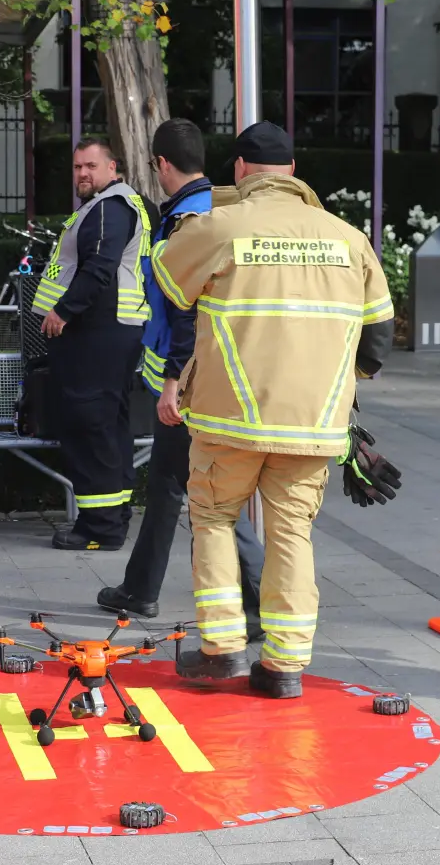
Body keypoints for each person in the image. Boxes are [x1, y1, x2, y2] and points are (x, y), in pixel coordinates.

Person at [151, 122, 394, 699]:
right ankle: (284, 667)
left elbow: (166, 281)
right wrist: (334, 381)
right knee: (292, 535)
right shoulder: (348, 238)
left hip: (227, 418)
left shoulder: (220, 226)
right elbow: (377, 343)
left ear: (239, 169)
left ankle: (223, 651)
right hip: (312, 425)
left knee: (213, 520)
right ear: (293, 170)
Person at [94, 118, 266, 638]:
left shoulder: (188, 221)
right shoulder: (207, 210)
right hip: (199, 380)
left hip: (190, 385)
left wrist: (174, 383)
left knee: (207, 494)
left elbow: (187, 315)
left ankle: (258, 602)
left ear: (161, 164)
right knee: (171, 485)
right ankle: (140, 589)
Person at [33, 137, 153, 551]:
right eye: (77, 167)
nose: (83, 173)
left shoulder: (109, 208)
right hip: (110, 334)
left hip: (96, 335)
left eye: (91, 166)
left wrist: (64, 311)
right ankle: (113, 515)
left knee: (90, 428)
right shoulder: (112, 205)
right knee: (109, 427)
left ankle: (98, 528)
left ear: (112, 168)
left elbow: (99, 266)